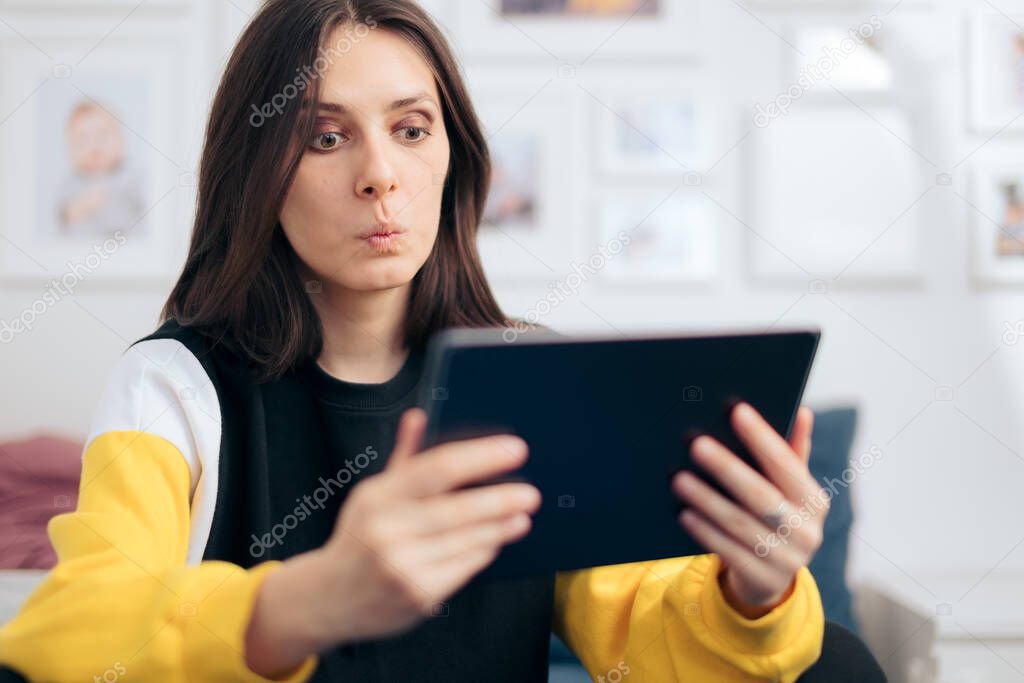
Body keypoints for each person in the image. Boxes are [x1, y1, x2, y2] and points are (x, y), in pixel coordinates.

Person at [0, 1, 877, 680]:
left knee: (831, 656)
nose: (380, 173)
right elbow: (65, 636)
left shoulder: (536, 377)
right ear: (257, 173)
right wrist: (305, 601)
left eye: (411, 129)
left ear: (450, 158)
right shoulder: (172, 384)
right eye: (325, 136)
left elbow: (639, 632)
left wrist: (750, 594)